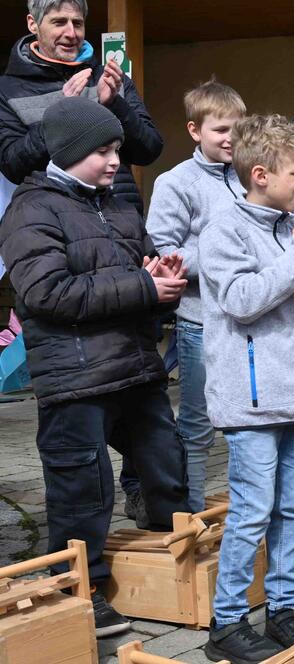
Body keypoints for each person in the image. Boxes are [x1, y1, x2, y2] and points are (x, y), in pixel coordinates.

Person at [0, 96, 188, 639]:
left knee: (167, 469)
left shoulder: (119, 204)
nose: (114, 161)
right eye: (102, 151)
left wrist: (161, 277)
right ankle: (79, 587)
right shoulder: (30, 209)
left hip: (135, 366)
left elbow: (141, 271)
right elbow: (47, 292)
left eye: (117, 149)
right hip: (74, 379)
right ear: (67, 150)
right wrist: (143, 286)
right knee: (83, 491)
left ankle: (169, 564)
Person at [200, 114, 294, 662]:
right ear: (261, 174)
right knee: (252, 513)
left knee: (292, 510)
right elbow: (242, 301)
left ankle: (281, 609)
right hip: (254, 405)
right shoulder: (224, 230)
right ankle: (226, 624)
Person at [146, 79, 246, 513]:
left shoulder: (251, 175)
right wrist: (229, 255)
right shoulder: (176, 183)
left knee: (246, 421)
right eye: (221, 129)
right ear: (194, 130)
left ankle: (245, 510)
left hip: (249, 319)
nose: (231, 138)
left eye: (238, 128)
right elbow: (163, 253)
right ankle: (191, 515)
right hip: (200, 322)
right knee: (197, 423)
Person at [0, 0, 163, 213]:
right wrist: (59, 116)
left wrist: (114, 104)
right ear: (33, 24)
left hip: (119, 218)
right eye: (59, 22)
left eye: (77, 23)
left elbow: (149, 150)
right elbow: (13, 166)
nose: (71, 33)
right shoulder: (7, 90)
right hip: (52, 219)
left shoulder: (110, 79)